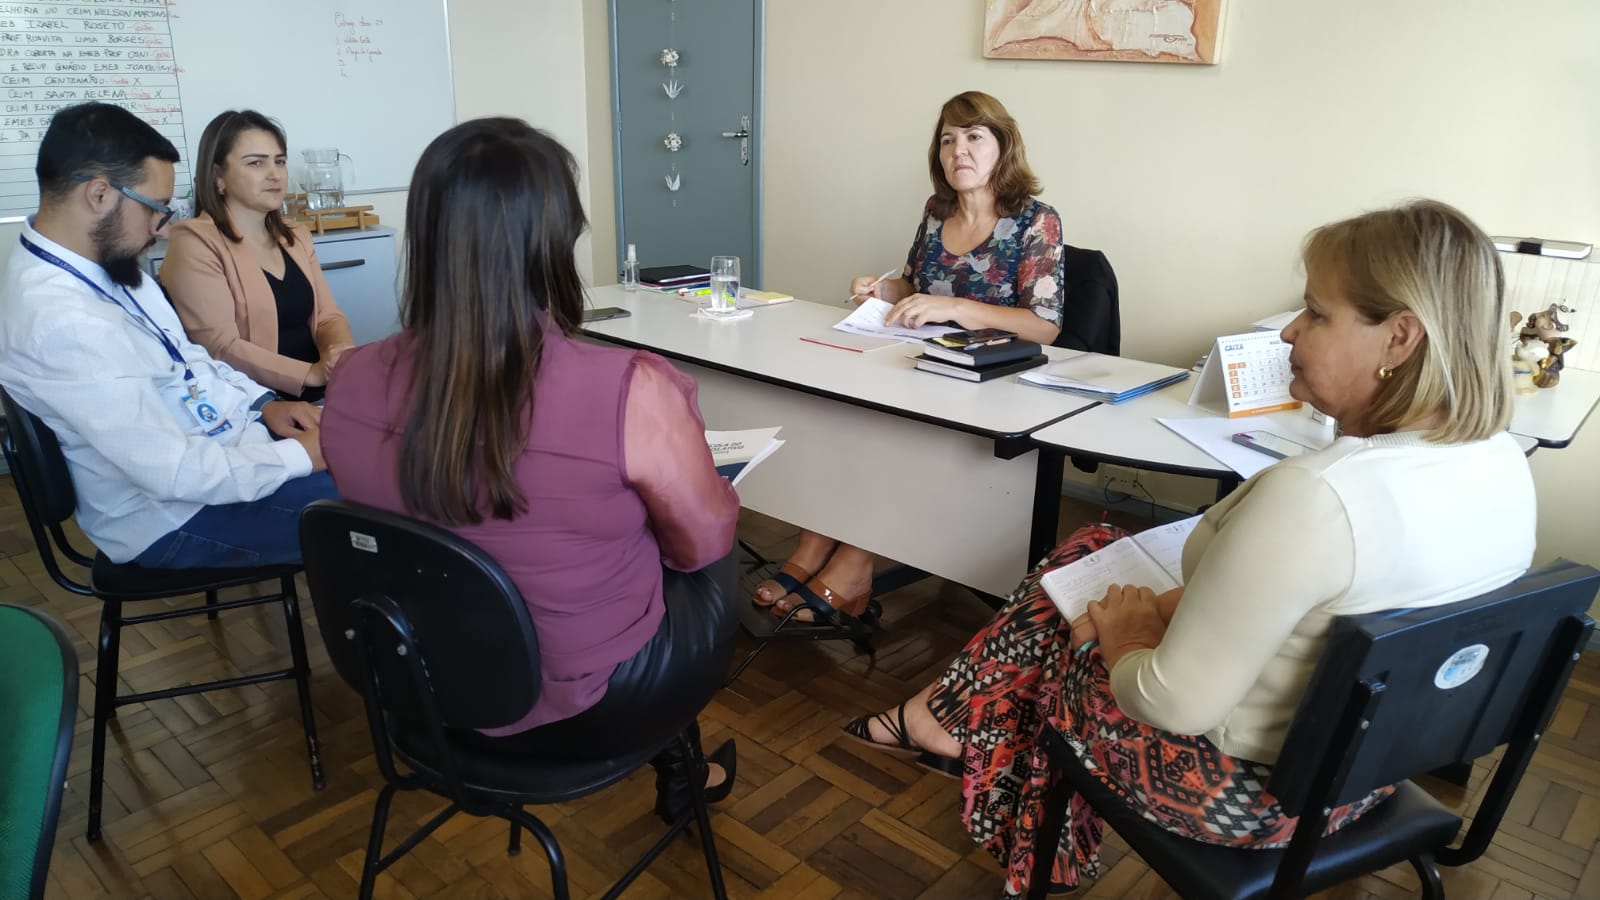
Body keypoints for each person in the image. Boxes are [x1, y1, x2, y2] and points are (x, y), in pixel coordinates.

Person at [842, 199, 1535, 895]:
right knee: (1094, 550)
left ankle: (1019, 821)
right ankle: (939, 722)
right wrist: (1161, 610)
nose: (1289, 331)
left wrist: (1126, 634)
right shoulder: (1503, 463)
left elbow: (1168, 703)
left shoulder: (1317, 498)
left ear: (1400, 338)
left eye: (1316, 313)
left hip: (1255, 798)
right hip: (1374, 770)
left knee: (1063, 623)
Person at [319, 118, 742, 819]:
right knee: (708, 542)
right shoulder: (631, 388)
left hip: (415, 689)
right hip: (590, 708)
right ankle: (682, 767)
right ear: (554, 237)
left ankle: (681, 765)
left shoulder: (352, 379)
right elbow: (702, 545)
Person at [755, 90, 1066, 624]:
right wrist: (882, 290)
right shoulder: (936, 211)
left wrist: (958, 307)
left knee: (891, 435)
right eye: (948, 140)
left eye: (974, 137)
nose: (958, 151)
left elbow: (1046, 325)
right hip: (923, 363)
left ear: (1003, 146)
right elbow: (914, 285)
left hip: (992, 381)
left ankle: (856, 561)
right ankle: (814, 543)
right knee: (839, 414)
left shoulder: (1036, 221)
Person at [0, 103, 336, 569]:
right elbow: (177, 474)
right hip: (175, 518)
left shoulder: (106, 265)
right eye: (156, 208)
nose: (164, 228)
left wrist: (262, 406)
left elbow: (188, 357)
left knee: (382, 462)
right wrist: (301, 456)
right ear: (99, 194)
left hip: (218, 455)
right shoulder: (61, 321)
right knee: (385, 500)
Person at [160, 110, 355, 403]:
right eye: (256, 163)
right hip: (256, 403)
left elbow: (328, 316)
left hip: (324, 390)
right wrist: (310, 374)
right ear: (218, 177)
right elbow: (220, 347)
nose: (274, 174)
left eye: (280, 161)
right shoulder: (194, 242)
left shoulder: (296, 235)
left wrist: (338, 354)